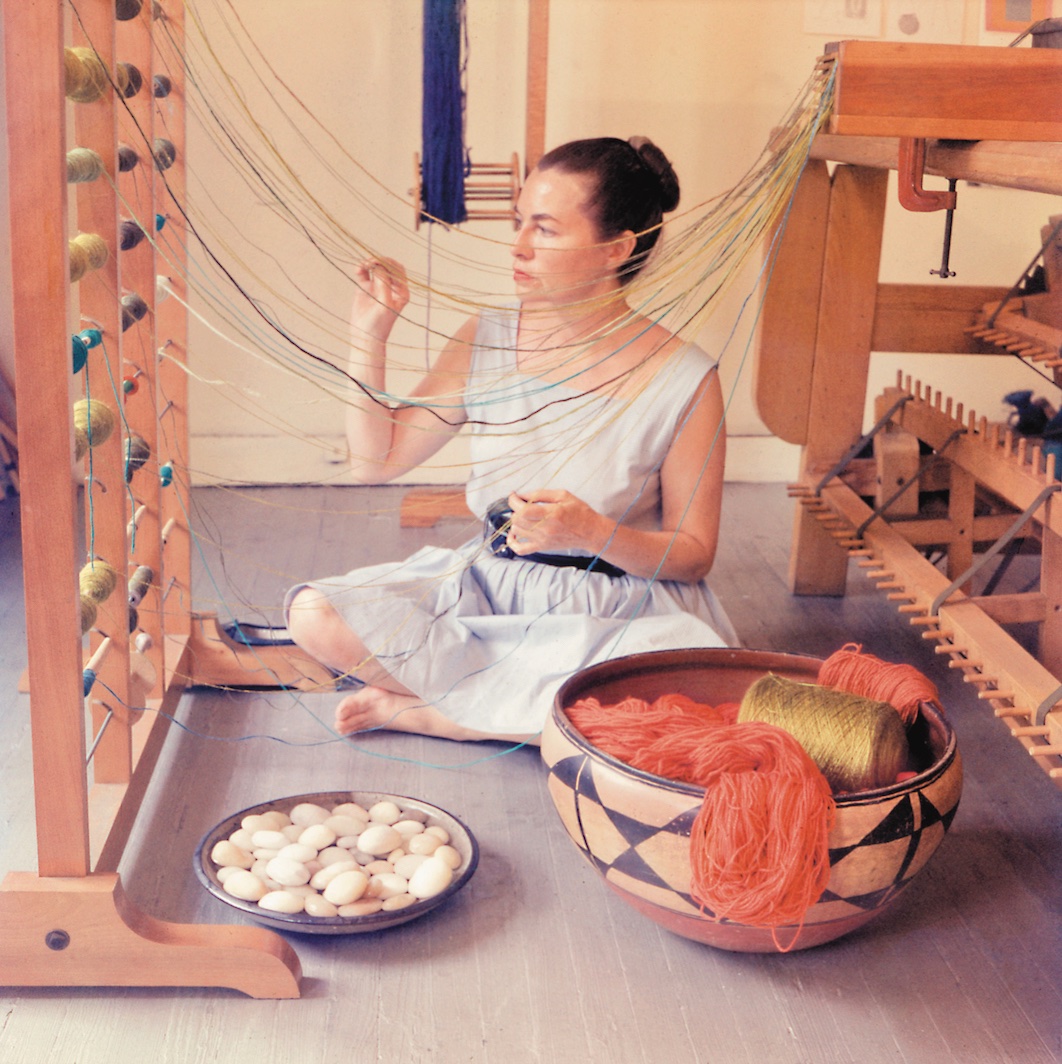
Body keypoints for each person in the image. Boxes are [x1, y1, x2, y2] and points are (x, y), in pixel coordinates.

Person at [285, 136, 738, 743]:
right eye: (520, 222)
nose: (518, 246)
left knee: (671, 705)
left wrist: (593, 534)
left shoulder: (687, 380)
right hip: (489, 590)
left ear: (617, 249)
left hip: (613, 611)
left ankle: (440, 712)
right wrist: (369, 336)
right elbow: (376, 461)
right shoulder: (488, 336)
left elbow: (694, 553)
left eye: (545, 230)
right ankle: (526, 714)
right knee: (314, 615)